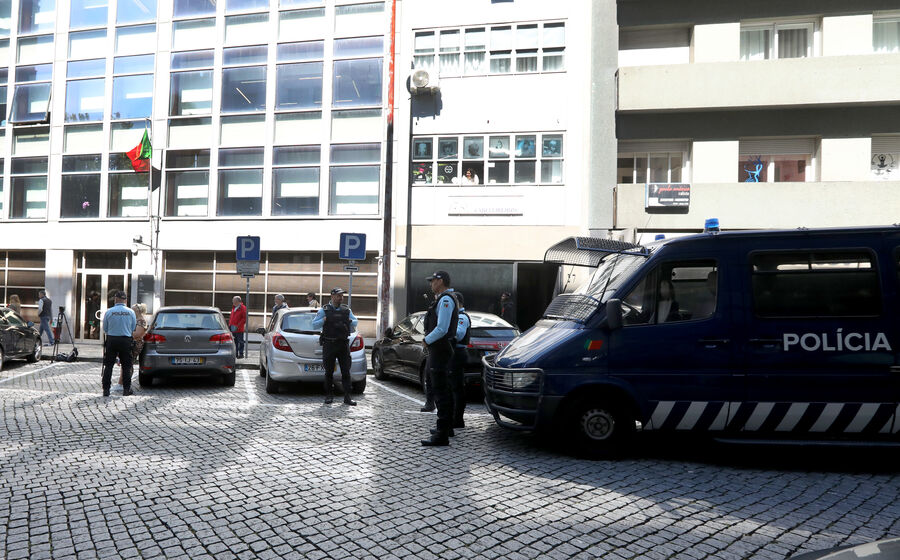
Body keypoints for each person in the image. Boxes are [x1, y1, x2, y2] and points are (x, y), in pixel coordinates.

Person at [421, 271, 459, 447]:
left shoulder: (445, 299)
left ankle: (441, 434)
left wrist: (426, 340)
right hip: (442, 349)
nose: (431, 284)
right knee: (445, 390)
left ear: (441, 281)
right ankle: (447, 427)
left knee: (441, 391)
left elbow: (442, 328)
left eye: (433, 281)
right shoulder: (444, 298)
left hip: (440, 349)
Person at [311, 288, 358, 406]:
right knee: (329, 372)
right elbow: (314, 325)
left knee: (346, 371)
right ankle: (329, 396)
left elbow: (355, 322)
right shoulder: (324, 310)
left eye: (342, 296)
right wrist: (324, 319)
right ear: (332, 296)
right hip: (329, 344)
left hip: (343, 344)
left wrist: (350, 321)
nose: (341, 298)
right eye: (338, 296)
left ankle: (347, 397)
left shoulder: (346, 310)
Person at [101, 291, 136, 397]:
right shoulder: (130, 312)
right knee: (126, 366)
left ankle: (106, 389)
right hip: (125, 340)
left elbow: (105, 328)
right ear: (125, 300)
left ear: (115, 299)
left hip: (112, 339)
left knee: (109, 365)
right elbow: (133, 328)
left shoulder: (109, 311)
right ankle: (126, 389)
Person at [449, 292, 471, 432]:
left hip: (458, 353)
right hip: (455, 353)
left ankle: (458, 419)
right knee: (454, 387)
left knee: (456, 388)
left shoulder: (462, 317)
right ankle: (455, 418)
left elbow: (459, 334)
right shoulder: (457, 316)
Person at [115, 303, 148, 393]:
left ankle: (124, 384)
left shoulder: (141, 321)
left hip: (135, 344)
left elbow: (138, 334)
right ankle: (121, 383)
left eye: (132, 309)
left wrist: (126, 333)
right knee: (126, 363)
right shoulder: (136, 319)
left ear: (137, 311)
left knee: (128, 363)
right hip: (130, 342)